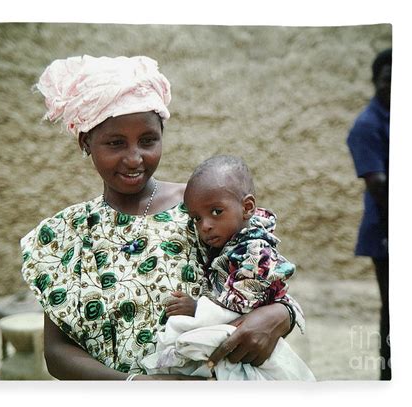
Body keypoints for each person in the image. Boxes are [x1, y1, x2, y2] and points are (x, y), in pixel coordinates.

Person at [21, 55, 301, 380]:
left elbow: (263, 277)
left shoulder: (199, 209)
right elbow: (57, 353)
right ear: (86, 142)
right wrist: (139, 387)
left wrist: (282, 315)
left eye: (148, 140)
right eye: (115, 143)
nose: (134, 158)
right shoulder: (65, 234)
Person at [140, 155, 314, 380]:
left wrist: (196, 309)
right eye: (196, 219)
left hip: (248, 348)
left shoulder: (255, 252)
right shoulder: (226, 241)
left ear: (247, 207)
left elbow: (242, 305)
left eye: (216, 212)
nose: (205, 226)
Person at [346, 48, 391, 380]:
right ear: (375, 82)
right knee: (395, 309)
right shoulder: (368, 124)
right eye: (387, 80)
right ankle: (390, 378)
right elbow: (379, 185)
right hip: (386, 229)